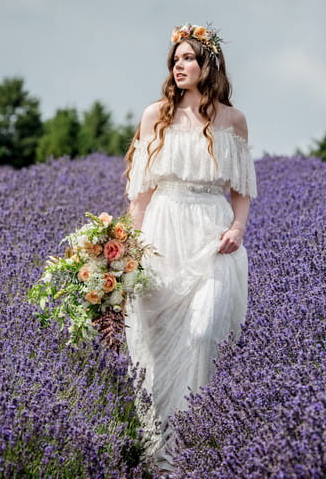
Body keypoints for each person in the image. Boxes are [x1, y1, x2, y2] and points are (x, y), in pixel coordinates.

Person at [123, 23, 257, 471]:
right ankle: (161, 456)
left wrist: (237, 228)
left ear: (208, 65)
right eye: (175, 59)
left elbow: (241, 189)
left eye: (188, 59)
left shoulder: (232, 121)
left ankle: (196, 443)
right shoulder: (153, 115)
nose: (179, 66)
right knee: (158, 346)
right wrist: (127, 249)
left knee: (203, 333)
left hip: (211, 235)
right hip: (161, 233)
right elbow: (139, 194)